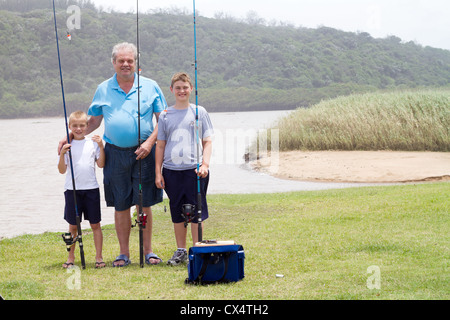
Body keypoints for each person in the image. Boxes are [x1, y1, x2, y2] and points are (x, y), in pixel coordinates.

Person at [58, 42, 167, 267]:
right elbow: (94, 121)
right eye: (121, 61)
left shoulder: (151, 86)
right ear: (114, 63)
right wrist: (70, 136)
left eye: (130, 60)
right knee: (121, 204)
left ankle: (148, 251)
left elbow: (163, 120)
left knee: (144, 204)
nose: (126, 64)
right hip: (114, 153)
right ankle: (123, 253)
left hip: (144, 152)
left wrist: (149, 143)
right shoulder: (103, 88)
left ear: (136, 63)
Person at [155, 72, 214, 266]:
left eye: (185, 87)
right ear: (172, 90)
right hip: (171, 171)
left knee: (197, 211)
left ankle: (197, 249)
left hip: (195, 171)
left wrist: (204, 164)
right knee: (177, 211)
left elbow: (207, 141)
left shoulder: (200, 112)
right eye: (178, 88)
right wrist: (158, 171)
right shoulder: (165, 115)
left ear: (191, 89)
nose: (182, 91)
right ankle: (180, 250)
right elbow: (161, 145)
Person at [58, 110, 106, 269]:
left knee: (95, 225)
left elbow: (101, 164)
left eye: (82, 125)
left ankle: (99, 257)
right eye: (75, 126)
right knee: (73, 226)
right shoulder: (67, 147)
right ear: (69, 126)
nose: (78, 129)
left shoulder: (92, 143)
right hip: (72, 191)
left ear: (87, 126)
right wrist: (62, 154)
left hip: (91, 189)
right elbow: (61, 170)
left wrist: (101, 145)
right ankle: (70, 257)